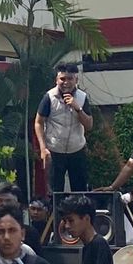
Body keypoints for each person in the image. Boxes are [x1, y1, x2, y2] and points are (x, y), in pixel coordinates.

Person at [35, 62, 92, 193]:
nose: (66, 82)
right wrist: (43, 149)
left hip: (77, 149)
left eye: (70, 79)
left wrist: (78, 108)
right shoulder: (49, 97)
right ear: (56, 80)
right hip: (55, 150)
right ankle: (56, 213)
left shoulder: (82, 97)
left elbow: (89, 125)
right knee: (55, 193)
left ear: (76, 80)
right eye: (62, 79)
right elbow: (38, 122)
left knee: (80, 192)